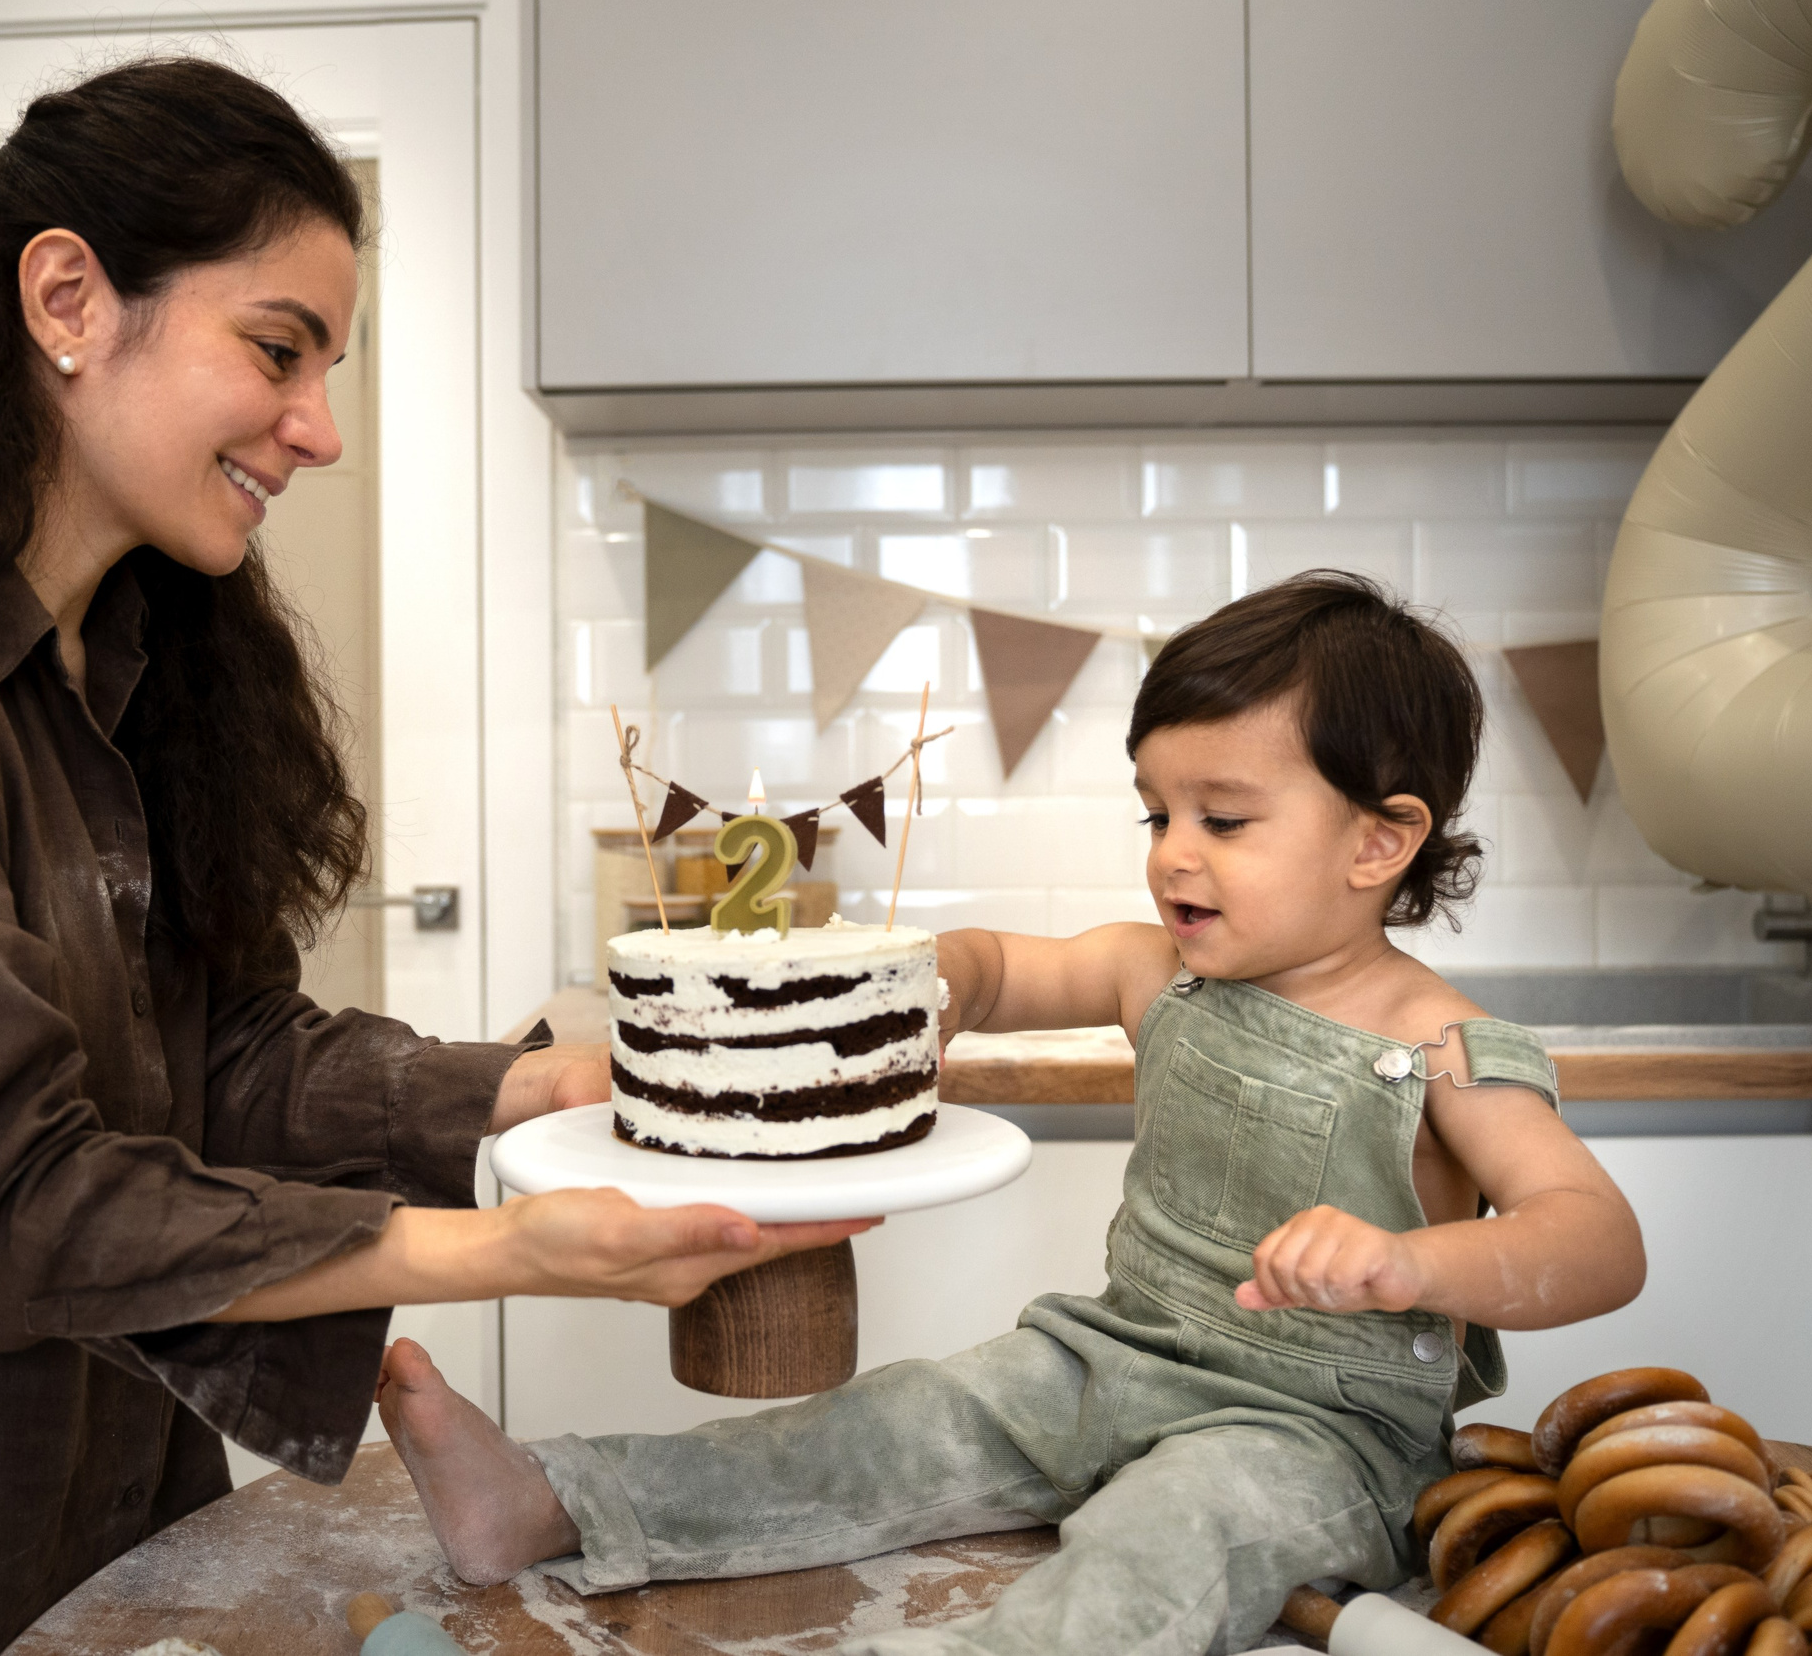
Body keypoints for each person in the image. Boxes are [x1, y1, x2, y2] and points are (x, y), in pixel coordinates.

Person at [0, 57, 863, 1655]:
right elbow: (16, 1196)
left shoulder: (123, 663)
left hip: (96, 1533)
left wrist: (527, 1087)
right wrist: (512, 1250)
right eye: (276, 349)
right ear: (68, 295)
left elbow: (216, 1052)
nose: (320, 429)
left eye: (328, 367)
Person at [378, 571, 1649, 1655]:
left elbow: (1594, 1237)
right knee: (901, 1416)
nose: (1172, 853)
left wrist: (1408, 1261)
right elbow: (997, 959)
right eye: (1158, 813)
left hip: (1315, 1438)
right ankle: (555, 1503)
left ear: (1380, 843)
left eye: (1224, 819)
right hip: (1102, 1359)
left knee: (1167, 1534)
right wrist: (937, 996)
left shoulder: (1439, 1047)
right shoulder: (1155, 971)